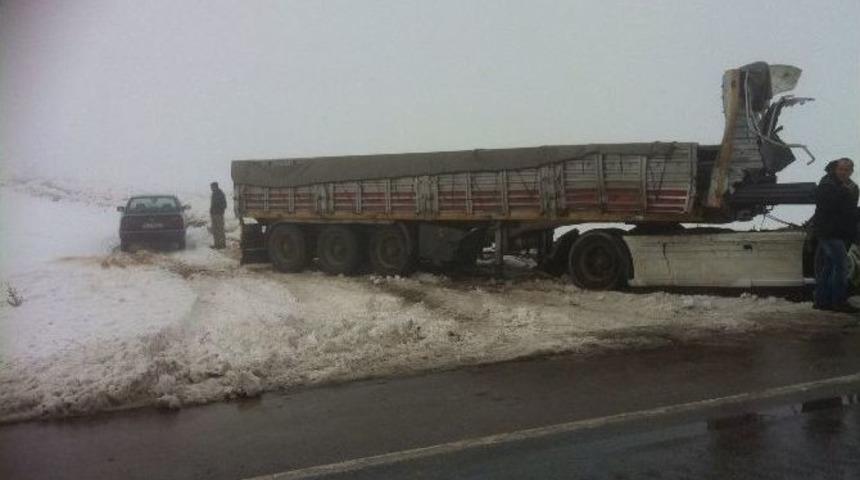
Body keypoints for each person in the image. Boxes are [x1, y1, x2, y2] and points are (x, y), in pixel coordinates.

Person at [813, 158, 859, 313]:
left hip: (839, 232)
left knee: (829, 266)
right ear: (835, 169)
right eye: (841, 169)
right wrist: (845, 192)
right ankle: (838, 302)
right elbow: (830, 207)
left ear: (851, 171)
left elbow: (851, 211)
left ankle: (821, 301)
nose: (844, 172)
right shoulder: (827, 184)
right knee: (841, 266)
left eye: (847, 170)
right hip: (829, 232)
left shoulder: (850, 187)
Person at [210, 181, 227, 249]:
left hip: (219, 215)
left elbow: (224, 204)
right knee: (215, 230)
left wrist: (220, 210)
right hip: (214, 214)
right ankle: (217, 244)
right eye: (211, 187)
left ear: (215, 186)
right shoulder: (214, 193)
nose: (211, 188)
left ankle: (222, 244)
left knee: (220, 230)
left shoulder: (220, 194)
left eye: (212, 187)